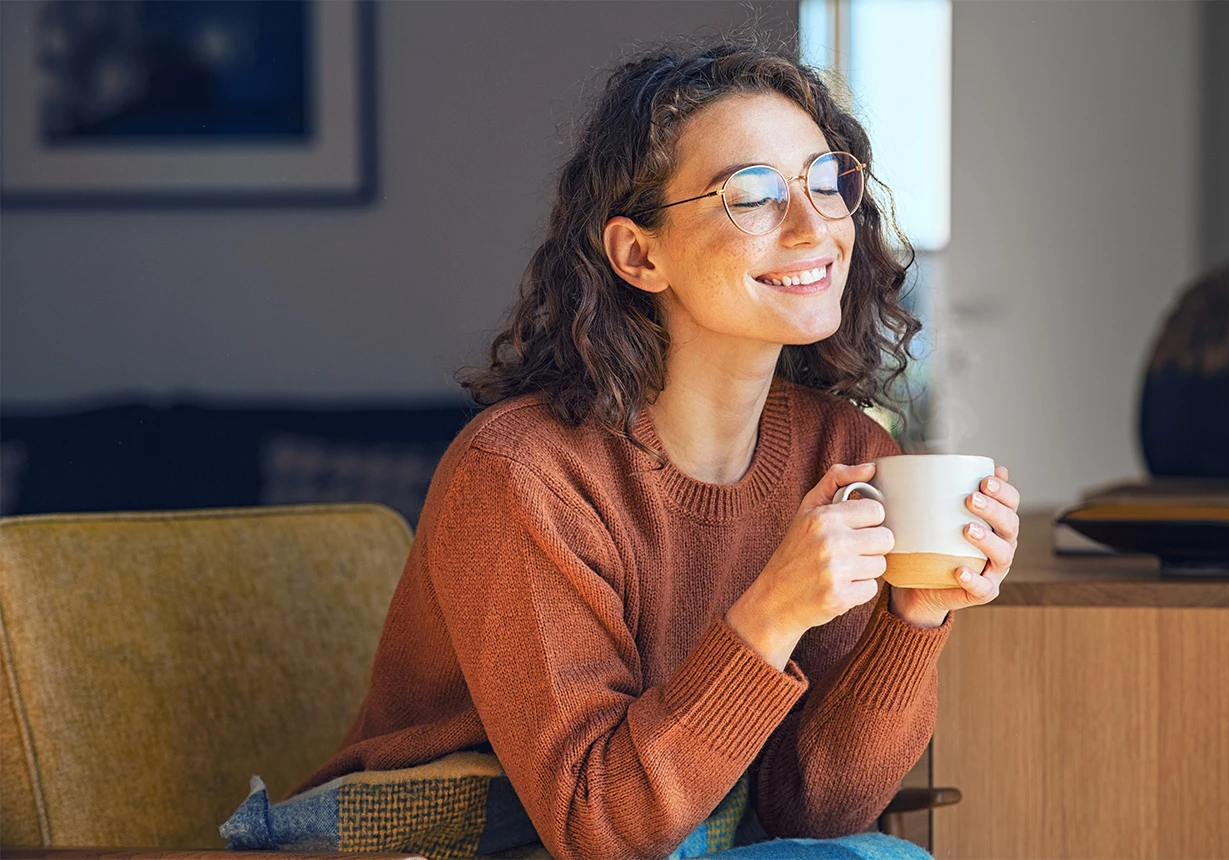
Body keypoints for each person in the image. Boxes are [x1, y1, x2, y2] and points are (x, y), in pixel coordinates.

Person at [291, 35, 1021, 859]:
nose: (814, 224)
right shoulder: (524, 475)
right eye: (752, 196)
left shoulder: (843, 453)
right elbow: (594, 828)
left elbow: (810, 813)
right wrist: (770, 613)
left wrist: (912, 618)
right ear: (640, 255)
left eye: (828, 181)